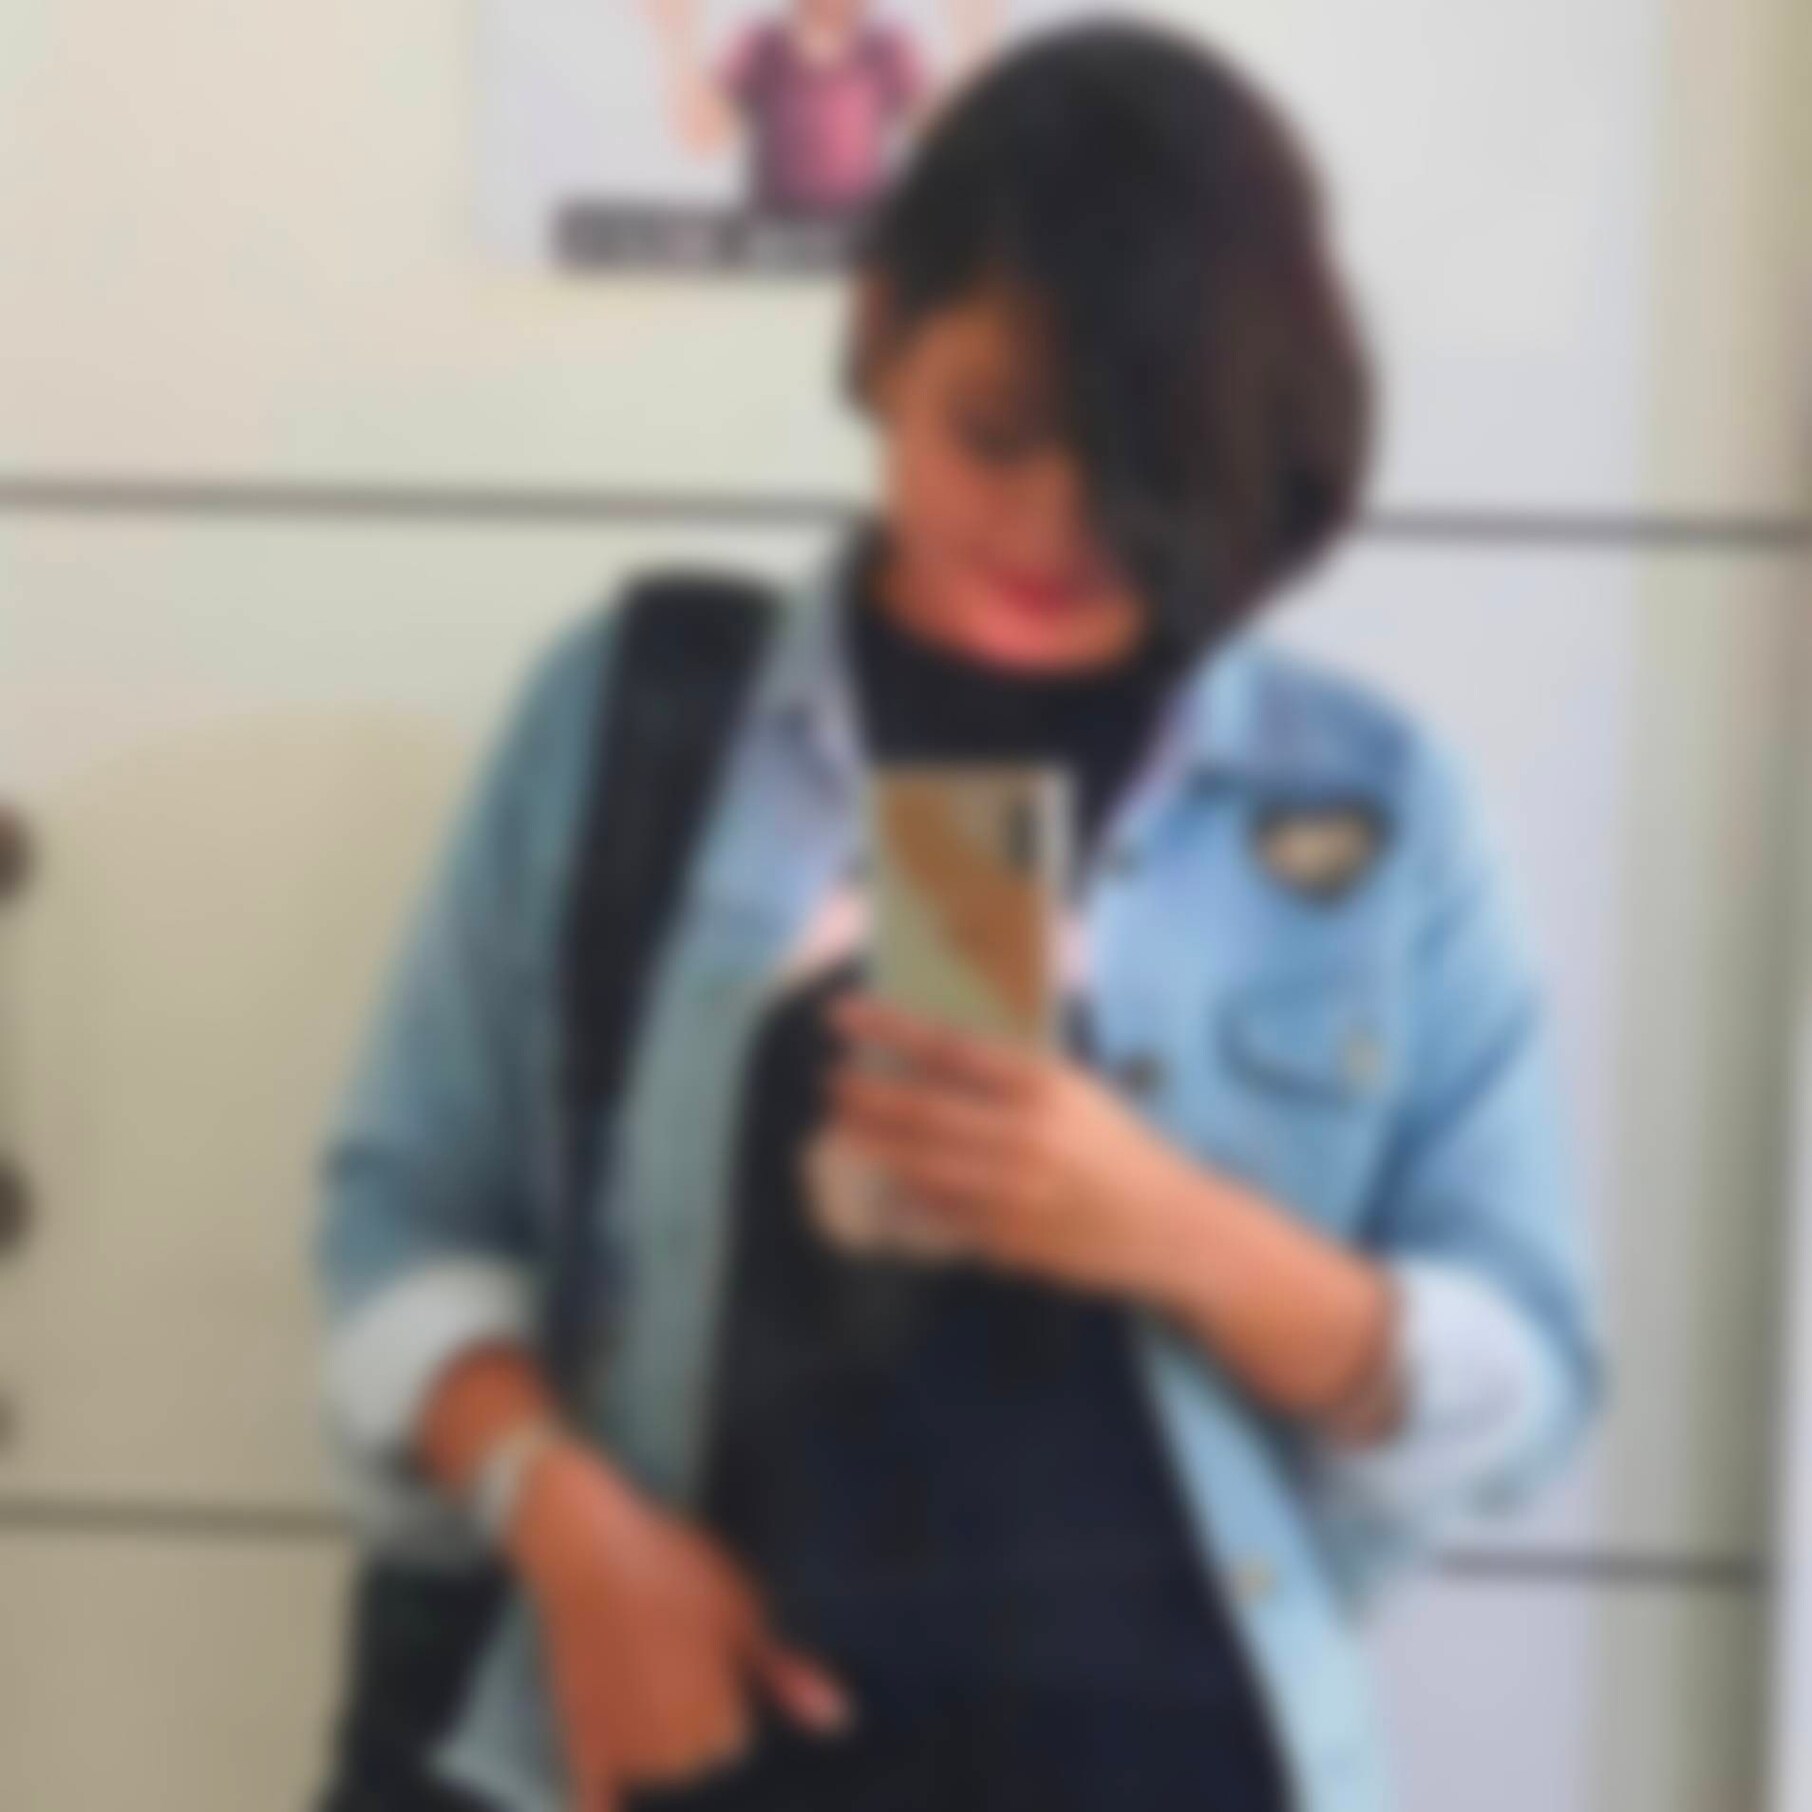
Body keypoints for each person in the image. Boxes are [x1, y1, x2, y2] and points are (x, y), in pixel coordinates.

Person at [314, 21, 1604, 1812]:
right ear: (877, 336)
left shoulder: (1371, 812)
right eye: (993, 432)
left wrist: (1179, 1234)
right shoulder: (637, 723)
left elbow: (1528, 1389)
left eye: (1138, 460)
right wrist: (559, 1512)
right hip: (678, 1751)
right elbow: (404, 1215)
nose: (1053, 520)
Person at [642, 0, 1000, 219]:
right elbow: (702, 136)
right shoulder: (763, 46)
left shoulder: (886, 48)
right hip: (774, 252)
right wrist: (676, 37)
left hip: (860, 249)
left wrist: (974, 39)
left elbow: (947, 135)